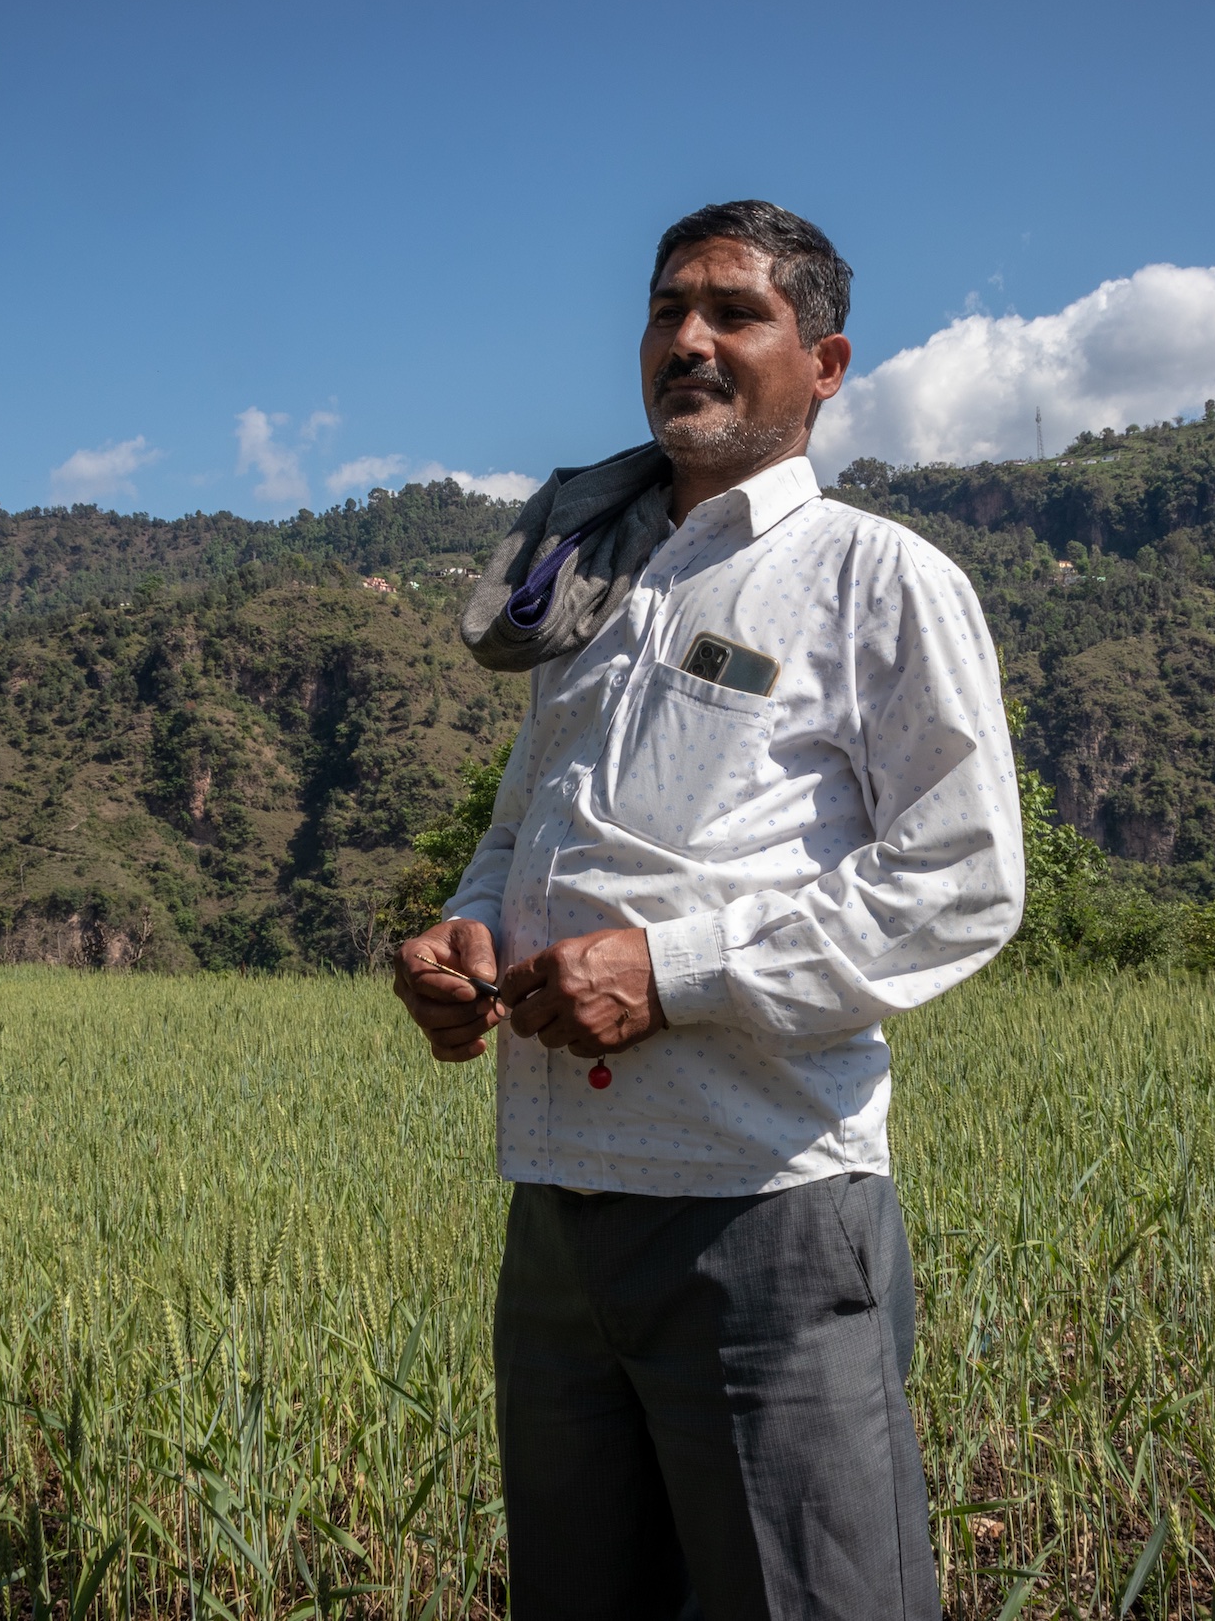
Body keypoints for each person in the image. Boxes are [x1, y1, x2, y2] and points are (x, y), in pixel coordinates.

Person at [391, 200, 1023, 1620]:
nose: (689, 338)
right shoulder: (595, 585)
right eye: (668, 309)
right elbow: (518, 831)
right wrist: (466, 929)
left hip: (765, 1217)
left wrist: (672, 972)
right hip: (558, 1206)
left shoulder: (877, 577)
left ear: (827, 363)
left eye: (734, 313)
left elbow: (962, 881)